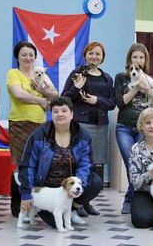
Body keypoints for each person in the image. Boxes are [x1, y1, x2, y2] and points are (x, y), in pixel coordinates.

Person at [18, 96, 102, 227]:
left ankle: (72, 209)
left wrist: (77, 188)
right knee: (55, 222)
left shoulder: (83, 136)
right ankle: (57, 211)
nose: (60, 114)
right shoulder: (39, 135)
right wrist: (26, 192)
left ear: (72, 114)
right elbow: (28, 165)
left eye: (64, 111)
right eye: (56, 111)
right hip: (47, 190)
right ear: (51, 115)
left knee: (96, 182)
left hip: (70, 186)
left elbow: (86, 165)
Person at [61, 41, 115, 217]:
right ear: (85, 56)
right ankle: (76, 203)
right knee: (80, 164)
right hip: (80, 124)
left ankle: (86, 201)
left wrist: (96, 101)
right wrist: (76, 87)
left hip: (100, 125)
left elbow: (111, 103)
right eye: (91, 53)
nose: (94, 57)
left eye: (98, 54)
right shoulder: (77, 74)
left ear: (103, 57)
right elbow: (65, 99)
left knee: (95, 165)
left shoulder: (107, 78)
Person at [6, 41, 58, 217]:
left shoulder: (41, 73)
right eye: (24, 55)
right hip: (20, 123)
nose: (28, 58)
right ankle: (16, 204)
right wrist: (41, 100)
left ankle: (36, 204)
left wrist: (43, 90)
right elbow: (18, 94)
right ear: (17, 57)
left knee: (38, 164)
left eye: (31, 55)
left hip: (41, 125)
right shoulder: (14, 73)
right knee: (21, 164)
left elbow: (55, 95)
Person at [114, 43, 153, 214]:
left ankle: (135, 201)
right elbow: (120, 102)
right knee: (130, 163)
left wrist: (151, 92)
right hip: (124, 127)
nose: (138, 60)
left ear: (145, 60)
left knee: (142, 165)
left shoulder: (150, 78)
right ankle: (130, 201)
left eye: (141, 57)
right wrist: (137, 87)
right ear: (129, 60)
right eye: (135, 57)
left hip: (143, 129)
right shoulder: (121, 77)